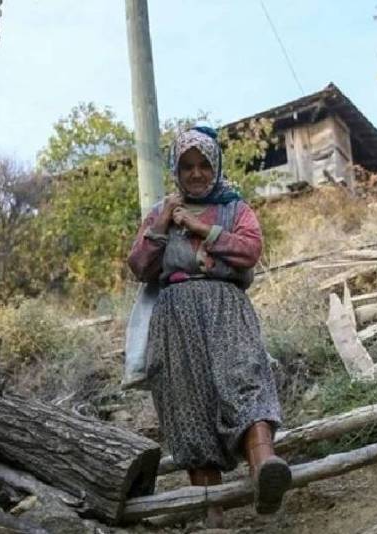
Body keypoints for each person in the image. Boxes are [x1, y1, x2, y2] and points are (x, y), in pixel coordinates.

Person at [127, 127, 290, 527]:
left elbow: (249, 251)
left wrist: (201, 228)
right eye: (187, 167)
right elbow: (140, 267)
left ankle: (265, 469)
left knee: (246, 381)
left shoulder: (235, 208)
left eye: (203, 165)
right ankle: (211, 515)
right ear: (176, 171)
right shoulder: (161, 211)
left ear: (215, 166)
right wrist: (162, 224)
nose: (196, 173)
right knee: (188, 407)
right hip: (175, 318)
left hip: (226, 307)